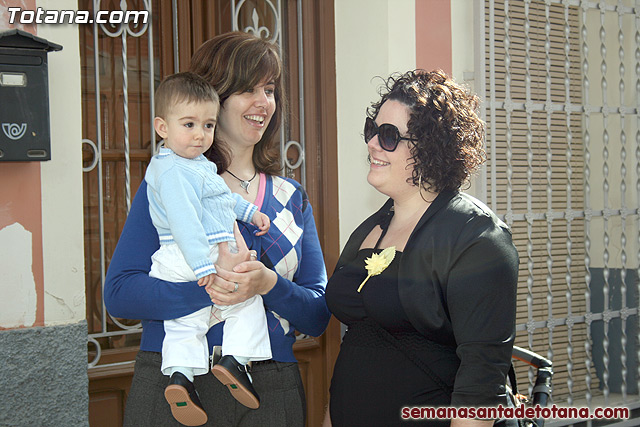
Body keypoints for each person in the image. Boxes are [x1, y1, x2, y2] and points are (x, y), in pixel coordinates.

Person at [104, 31, 330, 427]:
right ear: (214, 95)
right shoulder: (169, 184)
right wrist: (209, 288)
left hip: (267, 389)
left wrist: (266, 285)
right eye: (247, 89)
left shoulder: (290, 197)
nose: (264, 102)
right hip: (171, 385)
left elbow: (318, 314)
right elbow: (120, 294)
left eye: (270, 89)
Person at [323, 70, 518, 427]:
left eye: (389, 136)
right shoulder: (371, 228)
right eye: (372, 129)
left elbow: (481, 378)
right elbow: (357, 345)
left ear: (431, 149)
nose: (371, 143)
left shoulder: (476, 236)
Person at [146, 72, 273, 425]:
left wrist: (249, 211)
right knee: (247, 301)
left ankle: (181, 378)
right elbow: (185, 221)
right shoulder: (171, 171)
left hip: (195, 255)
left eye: (208, 125)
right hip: (188, 254)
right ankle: (235, 359)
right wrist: (204, 265)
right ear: (162, 127)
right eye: (189, 124)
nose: (200, 134)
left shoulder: (195, 165)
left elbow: (220, 199)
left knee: (186, 325)